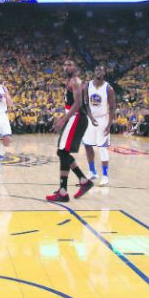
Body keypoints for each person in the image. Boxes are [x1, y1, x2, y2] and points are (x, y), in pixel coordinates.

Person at [46, 59, 94, 202]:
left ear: (76, 67)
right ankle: (79, 183)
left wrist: (63, 121)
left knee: (62, 152)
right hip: (74, 117)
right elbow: (70, 105)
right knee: (63, 152)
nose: (66, 67)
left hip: (77, 118)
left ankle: (66, 190)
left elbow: (78, 104)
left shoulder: (76, 81)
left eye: (70, 65)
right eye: (65, 64)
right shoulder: (72, 82)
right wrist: (61, 118)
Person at [82, 65, 116, 186]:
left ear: (104, 73)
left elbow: (112, 108)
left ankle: (105, 176)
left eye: (101, 70)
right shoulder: (87, 85)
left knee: (102, 147)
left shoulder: (109, 88)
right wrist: (90, 117)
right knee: (87, 145)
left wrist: (109, 124)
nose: (98, 72)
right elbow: (86, 103)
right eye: (96, 70)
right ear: (94, 72)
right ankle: (92, 172)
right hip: (90, 119)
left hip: (103, 120)